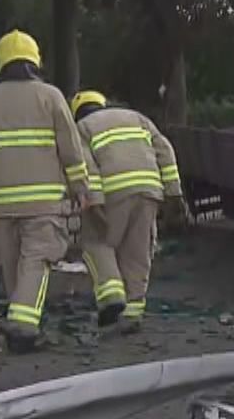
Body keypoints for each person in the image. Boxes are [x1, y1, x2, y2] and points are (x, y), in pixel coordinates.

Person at [0, 32, 100, 352]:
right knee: (37, 257)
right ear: (35, 60)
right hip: (41, 199)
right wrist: (80, 187)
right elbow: (70, 148)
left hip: (2, 199)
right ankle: (23, 326)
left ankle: (17, 314)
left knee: (11, 261)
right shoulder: (50, 96)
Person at [70, 89, 184, 332]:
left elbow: (86, 166)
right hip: (149, 190)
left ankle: (111, 297)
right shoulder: (137, 118)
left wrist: (95, 200)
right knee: (137, 252)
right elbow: (165, 151)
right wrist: (174, 192)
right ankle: (133, 314)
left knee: (98, 242)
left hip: (113, 191)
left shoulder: (81, 128)